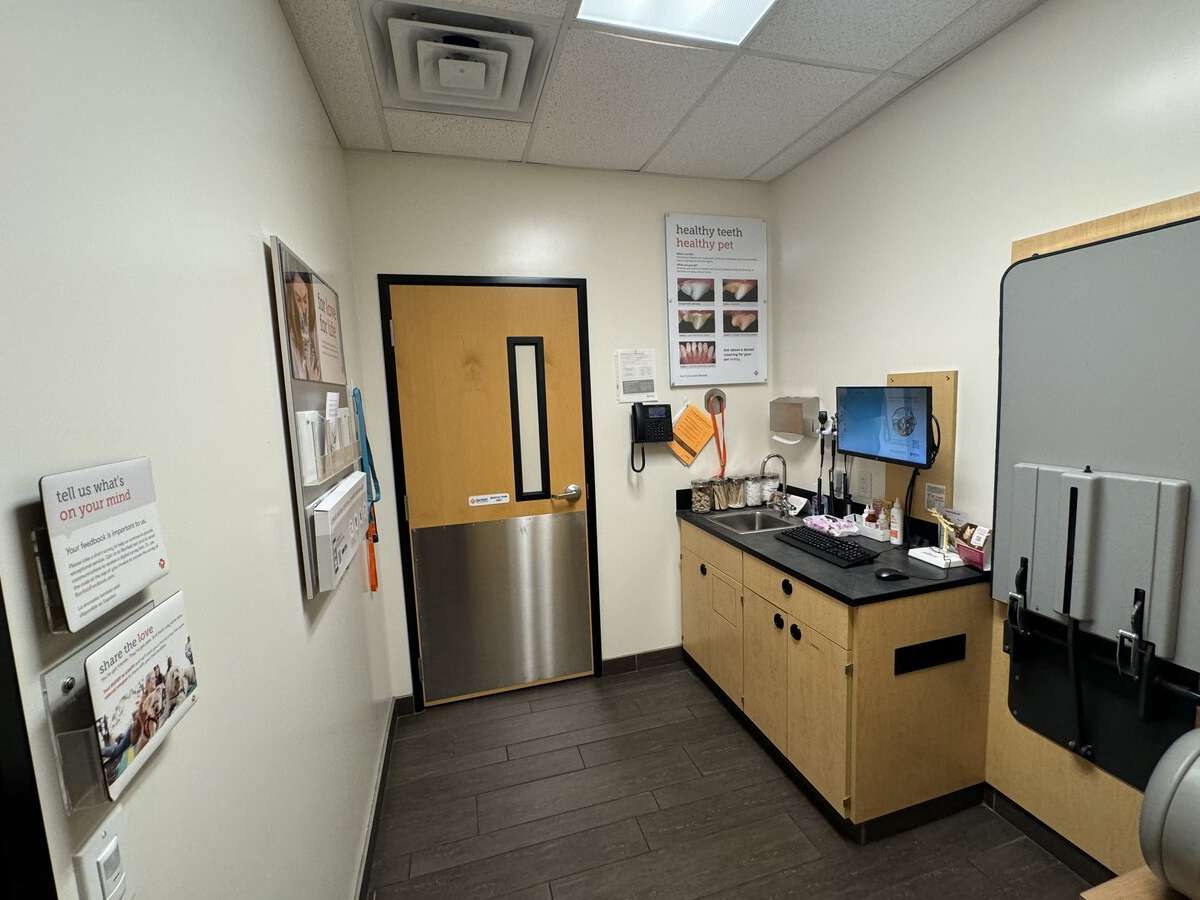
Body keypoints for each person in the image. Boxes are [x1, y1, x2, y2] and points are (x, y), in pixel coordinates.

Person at [286, 270, 322, 381]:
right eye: (298, 299)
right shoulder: (290, 341)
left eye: (305, 300)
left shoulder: (314, 335)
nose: (302, 307)